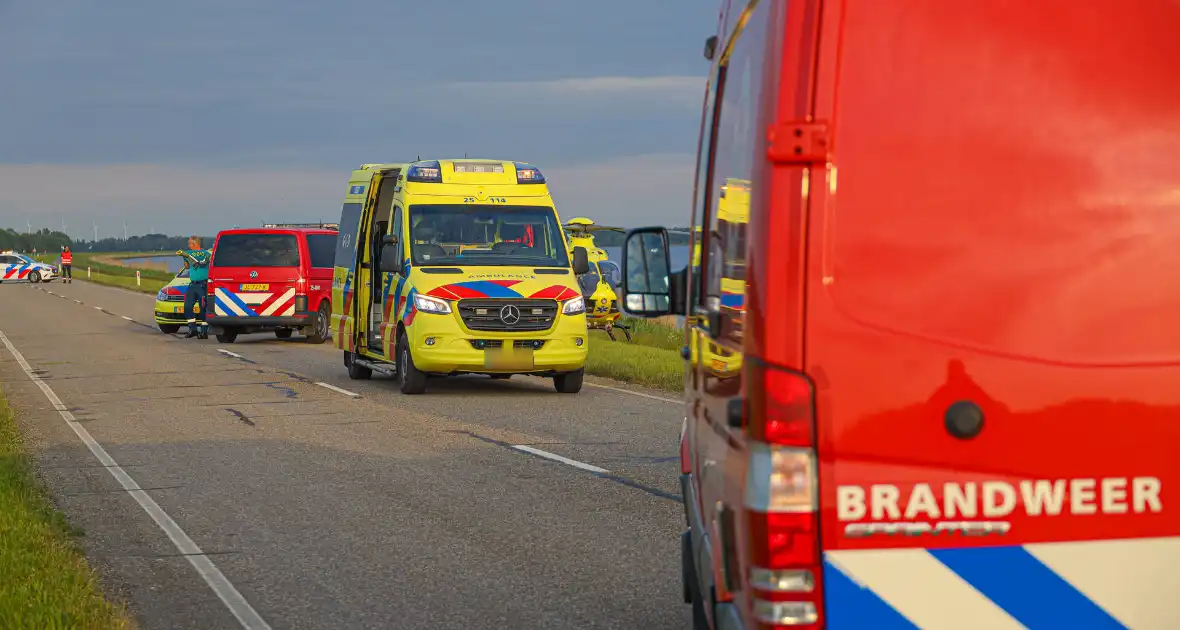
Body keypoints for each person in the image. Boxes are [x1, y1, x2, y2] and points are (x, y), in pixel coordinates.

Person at [177, 236, 212, 339]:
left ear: (195, 243)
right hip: (193, 284)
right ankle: (193, 329)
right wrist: (185, 258)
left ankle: (204, 331)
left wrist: (185, 256)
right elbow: (187, 267)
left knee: (203, 309)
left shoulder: (206, 254)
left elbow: (206, 265)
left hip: (203, 285)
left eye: (190, 243)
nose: (188, 245)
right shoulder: (188, 254)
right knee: (187, 307)